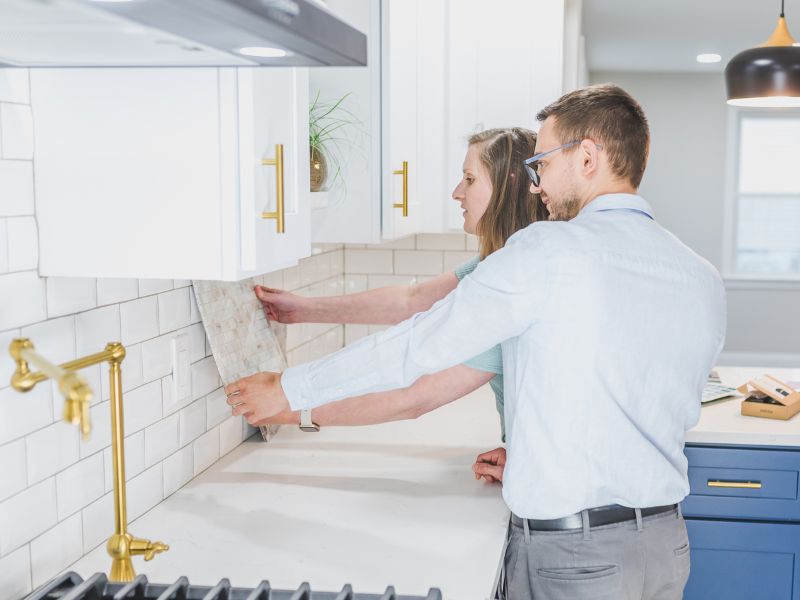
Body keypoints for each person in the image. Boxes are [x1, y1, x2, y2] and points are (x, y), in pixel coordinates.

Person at [226, 84, 726, 599]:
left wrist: (292, 389)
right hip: (666, 548)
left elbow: (419, 345)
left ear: (588, 156)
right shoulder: (700, 275)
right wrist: (537, 458)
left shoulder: (546, 252)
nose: (537, 185)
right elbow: (637, 396)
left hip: (573, 558)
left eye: (544, 164)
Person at [252, 127, 546, 483]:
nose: (457, 192)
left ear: (508, 184)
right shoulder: (502, 263)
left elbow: (414, 397)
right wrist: (304, 309)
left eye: (469, 179)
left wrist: (287, 407)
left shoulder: (511, 283)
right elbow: (414, 300)